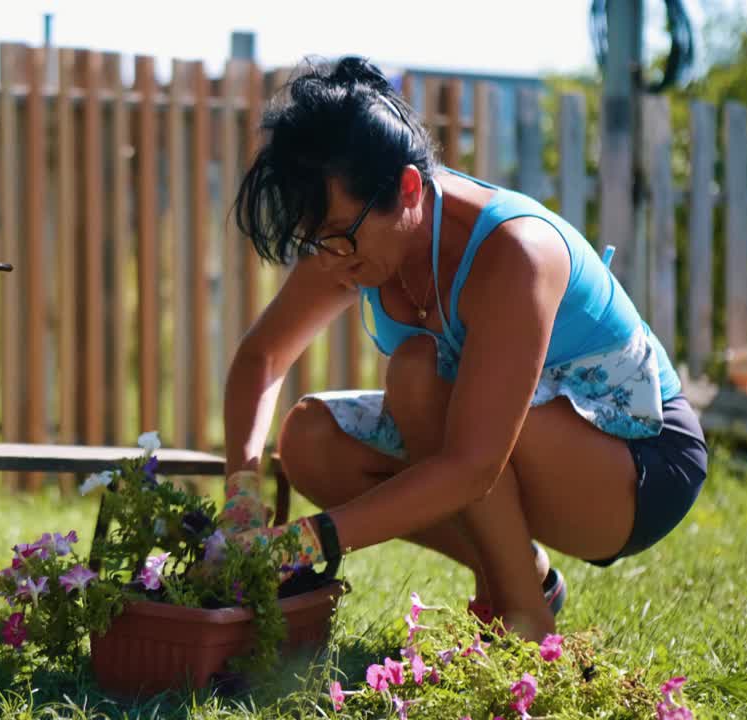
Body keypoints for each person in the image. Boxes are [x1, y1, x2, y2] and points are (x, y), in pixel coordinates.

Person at [215, 56, 708, 642]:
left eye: (341, 238)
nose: (330, 263)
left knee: (420, 377)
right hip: (497, 449)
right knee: (311, 439)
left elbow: (474, 463)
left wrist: (303, 543)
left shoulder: (515, 253)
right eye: (315, 240)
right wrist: (242, 494)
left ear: (407, 188)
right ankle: (520, 573)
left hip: (637, 465)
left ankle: (525, 617)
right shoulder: (347, 241)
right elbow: (262, 358)